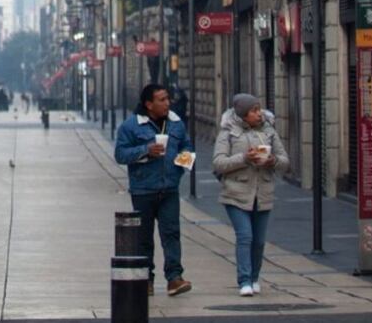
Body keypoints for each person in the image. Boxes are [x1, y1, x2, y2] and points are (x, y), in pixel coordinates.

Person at [114, 83, 195, 298]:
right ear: (149, 104)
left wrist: (180, 169)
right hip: (143, 190)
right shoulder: (131, 126)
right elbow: (120, 154)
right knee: (144, 238)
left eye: (168, 98)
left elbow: (188, 147)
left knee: (171, 234)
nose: (167, 103)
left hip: (169, 188)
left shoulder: (176, 123)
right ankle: (145, 279)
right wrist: (145, 150)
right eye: (162, 100)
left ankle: (174, 278)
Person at [211, 94, 289, 297]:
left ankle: (255, 277)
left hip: (263, 192)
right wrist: (245, 158)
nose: (259, 113)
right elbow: (219, 162)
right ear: (244, 114)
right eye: (254, 110)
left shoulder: (269, 130)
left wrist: (271, 161)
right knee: (245, 236)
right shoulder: (228, 132)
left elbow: (284, 161)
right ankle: (244, 280)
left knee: (259, 241)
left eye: (259, 109)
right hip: (235, 193)